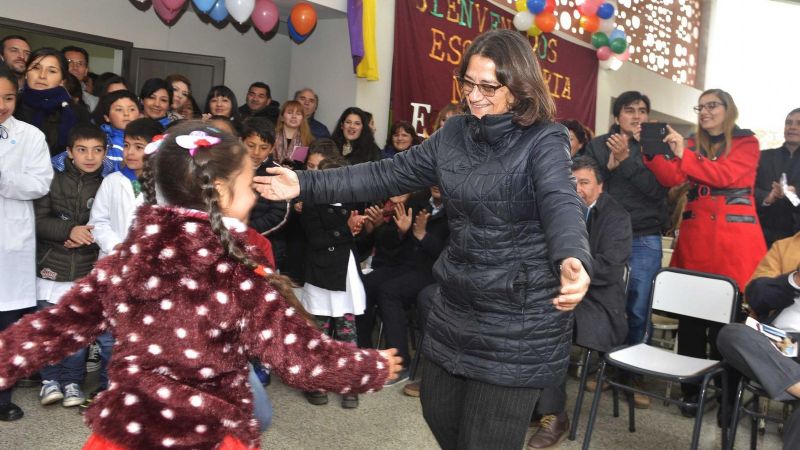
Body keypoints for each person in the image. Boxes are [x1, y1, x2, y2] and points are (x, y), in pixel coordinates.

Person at [256, 29, 591, 450]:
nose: (474, 96)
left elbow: (562, 200)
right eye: (468, 83)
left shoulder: (545, 139)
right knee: (438, 411)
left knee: (485, 438)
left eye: (489, 86)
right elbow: (381, 174)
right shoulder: (453, 136)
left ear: (520, 87)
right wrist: (304, 184)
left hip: (517, 313)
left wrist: (571, 256)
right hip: (458, 299)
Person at [0, 120, 402, 449]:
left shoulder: (129, 260)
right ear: (223, 193)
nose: (254, 196)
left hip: (128, 432)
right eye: (249, 186)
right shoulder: (242, 272)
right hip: (207, 435)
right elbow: (299, 357)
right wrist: (368, 367)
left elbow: (55, 327)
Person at [647, 88, 767, 414]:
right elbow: (671, 175)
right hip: (696, 246)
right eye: (700, 106)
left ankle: (726, 394)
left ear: (728, 109)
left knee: (726, 329)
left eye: (712, 105)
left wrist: (684, 155)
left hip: (732, 250)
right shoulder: (690, 145)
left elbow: (726, 175)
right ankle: (691, 394)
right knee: (690, 324)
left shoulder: (747, 143)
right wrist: (653, 149)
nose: (704, 111)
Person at [528, 156, 632, 448]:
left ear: (600, 185)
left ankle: (553, 414)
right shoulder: (558, 211)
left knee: (554, 319)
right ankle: (530, 402)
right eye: (571, 183)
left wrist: (569, 269)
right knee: (523, 311)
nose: (577, 189)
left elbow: (610, 267)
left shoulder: (616, 216)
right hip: (559, 293)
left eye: (584, 182)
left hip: (600, 306)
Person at [584, 92, 667, 402]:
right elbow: (590, 184)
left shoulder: (656, 147)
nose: (637, 116)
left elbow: (658, 190)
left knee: (638, 308)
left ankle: (632, 377)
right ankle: (605, 368)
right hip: (605, 235)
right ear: (617, 116)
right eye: (629, 110)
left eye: (643, 111)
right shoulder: (599, 143)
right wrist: (610, 164)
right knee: (605, 304)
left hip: (645, 237)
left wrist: (625, 163)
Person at [34, 124, 107, 409]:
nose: (90, 156)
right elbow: (38, 220)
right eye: (82, 149)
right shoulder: (52, 179)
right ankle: (50, 381)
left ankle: (73, 382)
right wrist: (68, 230)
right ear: (69, 152)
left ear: (104, 153)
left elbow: (110, 224)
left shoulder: (107, 183)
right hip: (51, 266)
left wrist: (85, 236)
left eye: (97, 150)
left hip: (87, 267)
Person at [0, 66, 54, 422]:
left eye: (7, 98)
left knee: (5, 327)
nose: (2, 105)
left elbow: (40, 184)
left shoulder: (31, 135)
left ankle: (2, 396)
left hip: (9, 243)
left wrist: (2, 178)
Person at [298, 151, 369, 408]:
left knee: (347, 329)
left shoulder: (352, 203)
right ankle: (314, 379)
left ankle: (348, 380)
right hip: (322, 273)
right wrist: (346, 229)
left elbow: (358, 241)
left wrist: (366, 228)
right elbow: (317, 240)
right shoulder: (311, 204)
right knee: (319, 329)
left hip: (346, 273)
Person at [717, 237, 800, 450]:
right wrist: (793, 280)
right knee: (731, 334)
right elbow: (756, 295)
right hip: (779, 343)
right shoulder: (786, 246)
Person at [373, 186, 449, 385]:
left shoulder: (458, 211)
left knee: (390, 291)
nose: (437, 183)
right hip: (403, 265)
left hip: (433, 273)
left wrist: (424, 236)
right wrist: (401, 232)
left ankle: (400, 362)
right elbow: (390, 245)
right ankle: (362, 352)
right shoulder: (417, 202)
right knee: (366, 283)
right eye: (434, 177)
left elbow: (451, 255)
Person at [15, 47, 91, 157]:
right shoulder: (11, 105)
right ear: (26, 73)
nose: (42, 75)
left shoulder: (76, 113)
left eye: (52, 71)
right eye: (36, 68)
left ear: (62, 80)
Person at [244, 117, 290, 268]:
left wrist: (246, 232)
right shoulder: (228, 167)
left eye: (263, 148)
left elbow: (279, 215)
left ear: (272, 148)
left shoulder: (277, 173)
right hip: (228, 240)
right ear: (240, 141)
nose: (256, 152)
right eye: (251, 145)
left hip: (264, 247)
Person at [756, 108, 800, 247]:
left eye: (799, 123)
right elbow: (746, 189)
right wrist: (767, 197)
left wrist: (796, 194)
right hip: (761, 236)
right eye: (788, 122)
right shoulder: (762, 157)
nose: (792, 127)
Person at [93, 90, 141, 175]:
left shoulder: (148, 139)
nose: (126, 114)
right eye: (119, 109)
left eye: (132, 109)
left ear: (140, 114)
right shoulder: (100, 140)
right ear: (107, 117)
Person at [273, 100, 313, 166]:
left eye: (298, 114)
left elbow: (299, 165)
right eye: (290, 113)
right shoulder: (272, 136)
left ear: (302, 118)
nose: (294, 116)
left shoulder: (306, 140)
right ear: (282, 117)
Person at [62, 45, 98, 111]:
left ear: (86, 70)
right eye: (69, 62)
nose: (75, 67)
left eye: (80, 63)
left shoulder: (94, 103)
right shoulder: (46, 93)